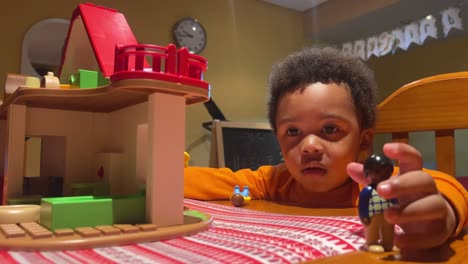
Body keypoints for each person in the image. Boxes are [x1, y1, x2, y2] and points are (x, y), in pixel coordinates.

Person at [184, 47, 468, 251]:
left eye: (330, 129)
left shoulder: (375, 183)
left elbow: (445, 185)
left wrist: (443, 213)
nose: (309, 147)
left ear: (364, 141)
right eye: (293, 132)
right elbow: (210, 181)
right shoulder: (274, 181)